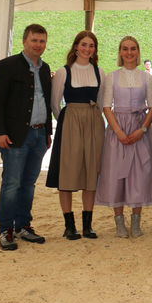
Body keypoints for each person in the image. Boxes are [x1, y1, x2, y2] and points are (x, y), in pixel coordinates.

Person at [0, 23, 52, 250]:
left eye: (42, 41)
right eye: (34, 40)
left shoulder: (45, 69)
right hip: (16, 135)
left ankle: (23, 225)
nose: (38, 45)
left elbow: (46, 102)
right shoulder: (7, 66)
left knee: (28, 183)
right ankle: (5, 229)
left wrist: (47, 132)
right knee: (12, 183)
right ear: (24, 42)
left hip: (38, 135)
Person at [96, 36, 152, 238]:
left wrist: (141, 129)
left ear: (138, 52)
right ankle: (119, 221)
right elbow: (106, 107)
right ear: (120, 52)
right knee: (116, 173)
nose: (129, 52)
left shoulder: (146, 77)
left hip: (140, 128)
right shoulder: (112, 77)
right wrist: (118, 132)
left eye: (133, 49)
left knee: (140, 174)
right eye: (125, 49)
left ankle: (135, 220)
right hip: (118, 129)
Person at [46, 31, 105, 240]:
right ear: (76, 46)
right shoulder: (64, 72)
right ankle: (69, 225)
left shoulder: (100, 72)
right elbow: (54, 102)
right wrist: (66, 121)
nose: (87, 49)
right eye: (84, 44)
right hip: (70, 121)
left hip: (93, 122)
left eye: (91, 45)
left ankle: (87, 225)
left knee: (91, 171)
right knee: (68, 171)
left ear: (94, 49)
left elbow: (103, 100)